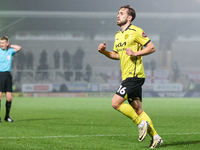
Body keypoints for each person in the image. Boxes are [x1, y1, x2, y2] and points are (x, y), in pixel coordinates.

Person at [98, 5, 163, 149]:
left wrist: (135, 53)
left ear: (129, 17)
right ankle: (156, 137)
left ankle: (140, 123)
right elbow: (117, 55)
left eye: (121, 13)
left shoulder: (136, 31)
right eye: (118, 13)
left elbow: (151, 47)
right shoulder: (117, 35)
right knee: (138, 109)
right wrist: (104, 52)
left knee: (115, 103)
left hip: (135, 75)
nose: (118, 15)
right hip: (128, 76)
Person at [0, 36, 21, 122]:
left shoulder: (10, 51)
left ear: (7, 44)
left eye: (3, 43)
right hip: (0, 74)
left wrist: (10, 46)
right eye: (0, 43)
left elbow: (19, 48)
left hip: (8, 75)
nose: (1, 45)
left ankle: (7, 116)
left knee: (9, 98)